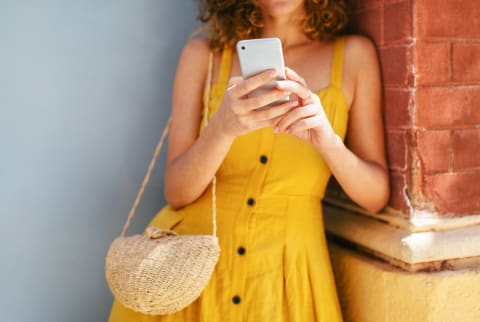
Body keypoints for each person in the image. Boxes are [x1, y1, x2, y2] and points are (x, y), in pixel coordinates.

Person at [108, 0, 390, 321]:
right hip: (189, 275)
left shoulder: (354, 56)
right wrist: (223, 128)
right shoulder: (204, 56)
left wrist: (328, 141)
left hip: (285, 279)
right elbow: (178, 192)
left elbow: (375, 196)